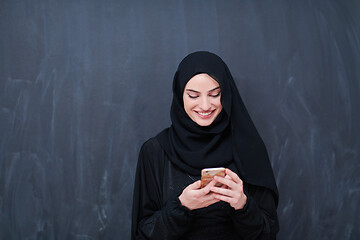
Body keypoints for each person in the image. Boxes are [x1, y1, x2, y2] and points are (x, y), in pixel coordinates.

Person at [131, 51, 279, 240]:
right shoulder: (155, 151)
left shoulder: (249, 149)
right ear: (179, 95)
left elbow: (268, 233)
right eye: (193, 95)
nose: (205, 105)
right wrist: (182, 206)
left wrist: (243, 205)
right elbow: (142, 234)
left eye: (215, 94)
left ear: (226, 93)